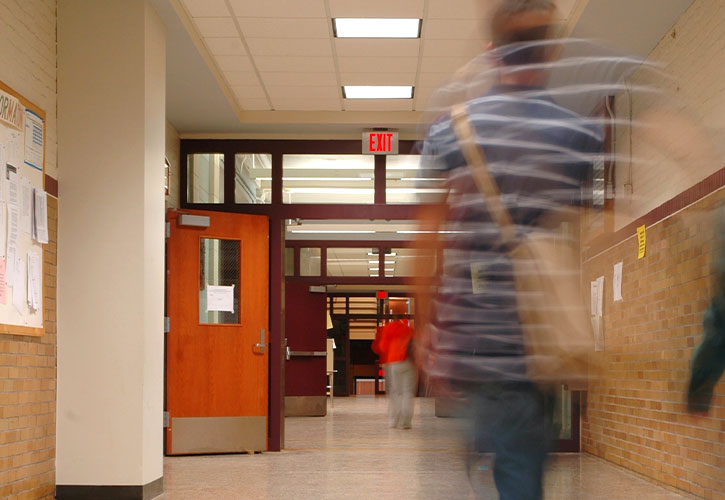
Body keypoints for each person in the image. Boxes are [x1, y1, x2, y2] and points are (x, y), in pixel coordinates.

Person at [417, 1, 609, 498]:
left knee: (501, 454)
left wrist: (426, 326)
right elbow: (577, 234)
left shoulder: (449, 128)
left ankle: (489, 458)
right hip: (540, 335)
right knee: (521, 463)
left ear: (490, 51)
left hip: (473, 336)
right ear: (553, 52)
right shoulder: (578, 132)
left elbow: (425, 239)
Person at [372, 315, 416, 429]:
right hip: (409, 362)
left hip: (393, 362)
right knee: (407, 392)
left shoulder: (388, 328)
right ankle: (406, 422)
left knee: (395, 392)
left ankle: (394, 421)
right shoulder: (408, 329)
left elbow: (381, 347)